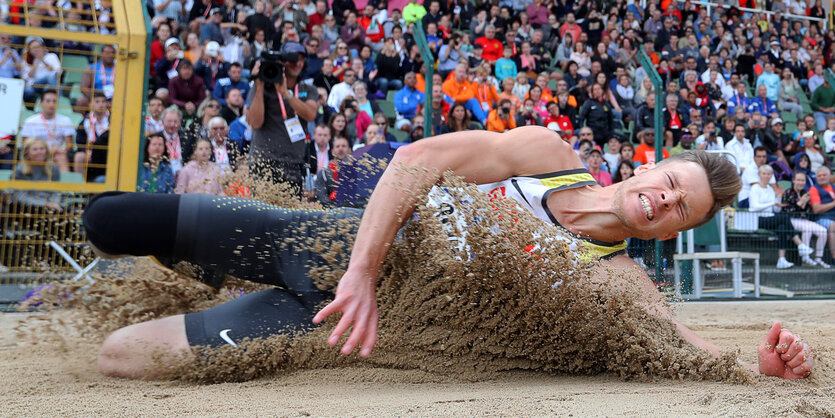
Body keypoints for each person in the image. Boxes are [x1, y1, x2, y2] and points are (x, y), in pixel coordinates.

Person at [86, 127, 813, 382]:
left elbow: (674, 341)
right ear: (648, 169)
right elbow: (415, 160)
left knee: (119, 356)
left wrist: (756, 368)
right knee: (108, 219)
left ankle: (214, 293)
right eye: (670, 181)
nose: (664, 199)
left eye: (680, 208)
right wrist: (364, 270)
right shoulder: (546, 156)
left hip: (332, 330)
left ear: (671, 232)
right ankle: (197, 270)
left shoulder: (617, 279)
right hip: (323, 246)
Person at [247, 41, 318, 193]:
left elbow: (311, 115)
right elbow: (255, 122)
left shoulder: (308, 89)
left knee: (289, 215)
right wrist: (259, 87)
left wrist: (287, 93)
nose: (297, 63)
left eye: (300, 59)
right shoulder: (262, 85)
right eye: (292, 59)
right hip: (264, 162)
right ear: (282, 62)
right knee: (262, 213)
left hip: (293, 163)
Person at [748, 164, 811, 269]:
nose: (766, 176)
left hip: (770, 217)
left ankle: (781, 259)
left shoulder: (770, 189)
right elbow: (754, 207)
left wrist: (778, 198)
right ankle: (799, 244)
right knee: (784, 217)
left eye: (769, 174)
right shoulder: (755, 188)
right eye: (764, 174)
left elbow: (776, 209)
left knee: (782, 227)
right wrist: (772, 203)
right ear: (759, 175)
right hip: (757, 219)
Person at [782, 171, 830, 268]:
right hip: (791, 220)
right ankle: (805, 257)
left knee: (823, 231)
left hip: (804, 220)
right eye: (798, 180)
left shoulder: (806, 192)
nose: (800, 182)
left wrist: (804, 204)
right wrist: (800, 203)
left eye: (803, 180)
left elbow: (808, 210)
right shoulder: (787, 192)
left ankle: (818, 258)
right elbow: (787, 210)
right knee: (807, 228)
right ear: (793, 181)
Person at [19, 90, 74, 172]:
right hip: (36, 153)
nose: (51, 104)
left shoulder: (66, 120)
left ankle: (64, 183)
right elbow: (25, 145)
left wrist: (61, 151)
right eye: (48, 101)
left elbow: (69, 145)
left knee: (61, 156)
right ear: (41, 103)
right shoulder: (30, 121)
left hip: (57, 153)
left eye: (54, 101)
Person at [11, 138, 62, 211]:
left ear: (46, 152)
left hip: (51, 206)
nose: (39, 152)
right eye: (35, 149)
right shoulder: (20, 170)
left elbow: (56, 192)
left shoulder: (53, 168)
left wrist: (54, 203)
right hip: (27, 207)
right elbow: (19, 196)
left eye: (42, 149)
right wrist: (44, 204)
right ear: (27, 153)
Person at [74, 93, 110, 182]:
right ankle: (81, 187)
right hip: (91, 152)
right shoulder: (85, 121)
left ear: (107, 104)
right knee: (79, 156)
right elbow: (80, 142)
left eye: (103, 101)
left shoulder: (113, 119)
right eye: (97, 102)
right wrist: (85, 151)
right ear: (91, 104)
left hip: (108, 152)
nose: (100, 104)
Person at [316, 136, 352, 206]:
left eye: (344, 146)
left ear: (350, 150)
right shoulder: (324, 173)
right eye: (337, 146)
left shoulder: (357, 172)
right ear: (332, 151)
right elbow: (321, 198)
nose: (340, 149)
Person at [809, 166, 835, 263]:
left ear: (829, 176)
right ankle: (834, 258)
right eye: (819, 176)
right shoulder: (814, 189)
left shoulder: (833, 187)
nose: (822, 177)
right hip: (821, 218)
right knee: (833, 226)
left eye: (824, 175)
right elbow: (816, 209)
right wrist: (833, 204)